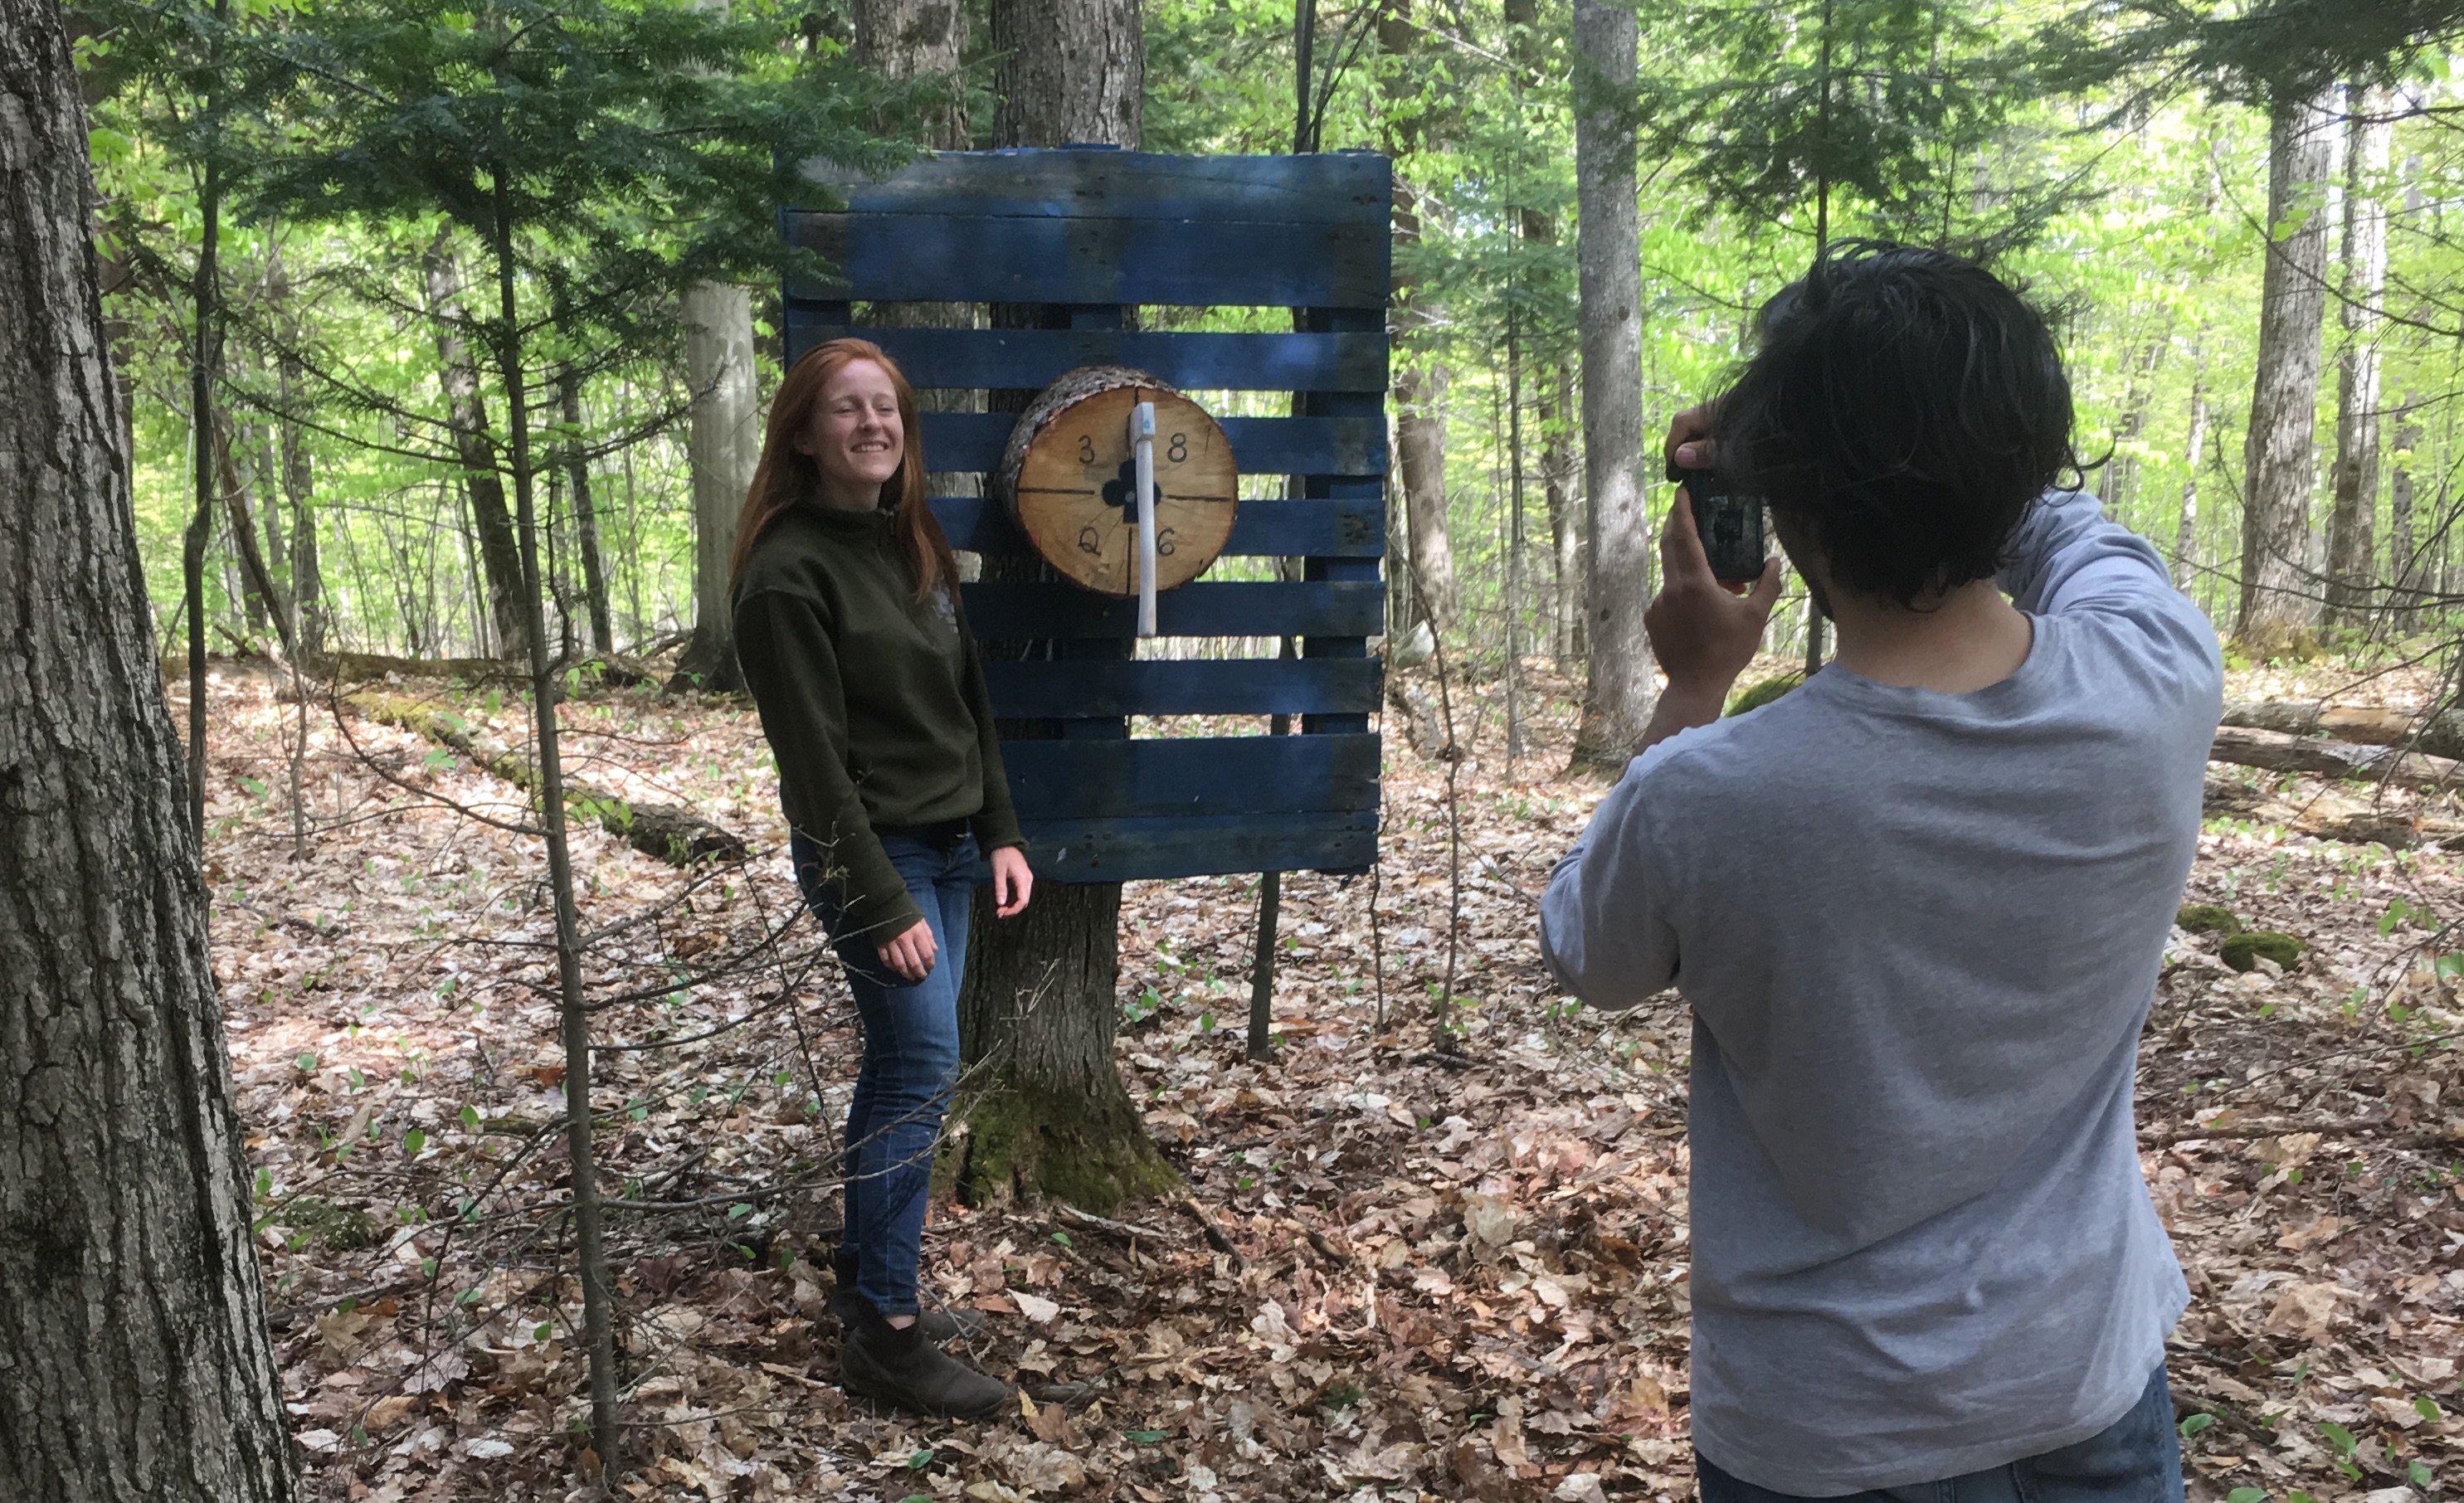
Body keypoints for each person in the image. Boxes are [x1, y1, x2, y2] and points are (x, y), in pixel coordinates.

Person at [1539, 241, 2220, 1500]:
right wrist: (1899, 430)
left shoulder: (1710, 792)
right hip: (2086, 1375)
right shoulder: (2156, 675)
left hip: (1830, 1423)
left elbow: (1587, 953)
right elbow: (2066, 527)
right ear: (2025, 458)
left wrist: (1692, 681)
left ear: (1784, 511)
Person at [732, 338, 1033, 1418]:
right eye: (846, 409)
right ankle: (890, 1341)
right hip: (877, 859)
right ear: (804, 434)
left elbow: (970, 699)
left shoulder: (911, 543)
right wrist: (881, 898)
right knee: (919, 1073)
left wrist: (998, 827)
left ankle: (870, 1290)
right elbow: (812, 771)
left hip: (953, 846)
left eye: (886, 408)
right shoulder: (785, 574)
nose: (872, 424)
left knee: (902, 1071)